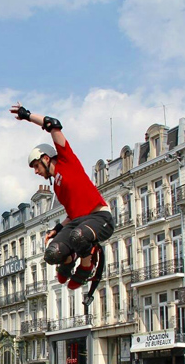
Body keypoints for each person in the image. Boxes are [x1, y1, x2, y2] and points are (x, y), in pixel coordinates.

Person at [11, 103, 114, 290]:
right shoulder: (57, 188)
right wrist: (57, 229)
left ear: (46, 158)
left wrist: (27, 115)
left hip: (99, 218)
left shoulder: (67, 160)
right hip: (78, 222)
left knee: (78, 235)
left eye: (36, 166)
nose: (36, 172)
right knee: (52, 253)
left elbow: (53, 124)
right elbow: (72, 215)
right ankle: (69, 258)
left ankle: (86, 265)